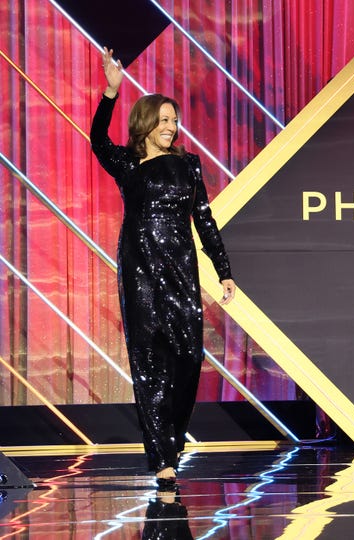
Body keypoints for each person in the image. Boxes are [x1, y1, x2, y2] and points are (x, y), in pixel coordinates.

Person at [90, 47, 236, 485]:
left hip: (180, 267)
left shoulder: (190, 165)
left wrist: (224, 268)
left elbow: (204, 221)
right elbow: (98, 139)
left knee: (189, 357)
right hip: (139, 269)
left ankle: (171, 440)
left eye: (175, 121)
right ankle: (163, 460)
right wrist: (110, 92)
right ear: (146, 123)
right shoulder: (128, 164)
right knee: (149, 360)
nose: (172, 127)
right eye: (165, 120)